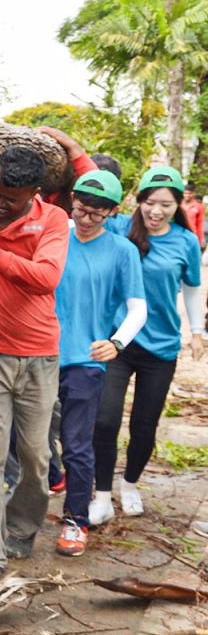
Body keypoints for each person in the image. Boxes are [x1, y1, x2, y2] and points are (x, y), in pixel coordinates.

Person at [0, 146, 70, 583]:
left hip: (39, 357)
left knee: (35, 456)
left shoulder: (54, 220)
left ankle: (22, 525)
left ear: (36, 192)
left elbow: (47, 276)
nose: (0, 203)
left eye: (13, 196)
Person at [93, 167, 205, 518]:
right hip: (117, 343)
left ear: (178, 206)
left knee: (145, 423)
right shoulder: (118, 227)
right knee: (105, 419)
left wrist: (198, 332)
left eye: (166, 205)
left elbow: (191, 287)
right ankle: (101, 493)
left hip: (161, 347)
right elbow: (85, 208)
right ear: (138, 200)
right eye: (150, 203)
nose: (156, 212)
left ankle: (129, 484)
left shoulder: (185, 241)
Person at [51, 171, 147, 555]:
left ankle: (76, 519)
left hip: (85, 361)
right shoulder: (55, 235)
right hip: (40, 354)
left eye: (97, 214)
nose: (87, 219)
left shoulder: (121, 250)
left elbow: (137, 308)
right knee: (25, 441)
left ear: (113, 212)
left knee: (76, 443)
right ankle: (22, 512)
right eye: (81, 210)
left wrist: (116, 342)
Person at [182, 182, 204, 248]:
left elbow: (200, 225)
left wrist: (199, 241)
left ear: (193, 194)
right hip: (179, 234)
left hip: (191, 235)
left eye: (190, 193)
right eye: (185, 193)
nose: (187, 195)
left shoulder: (198, 206)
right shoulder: (178, 204)